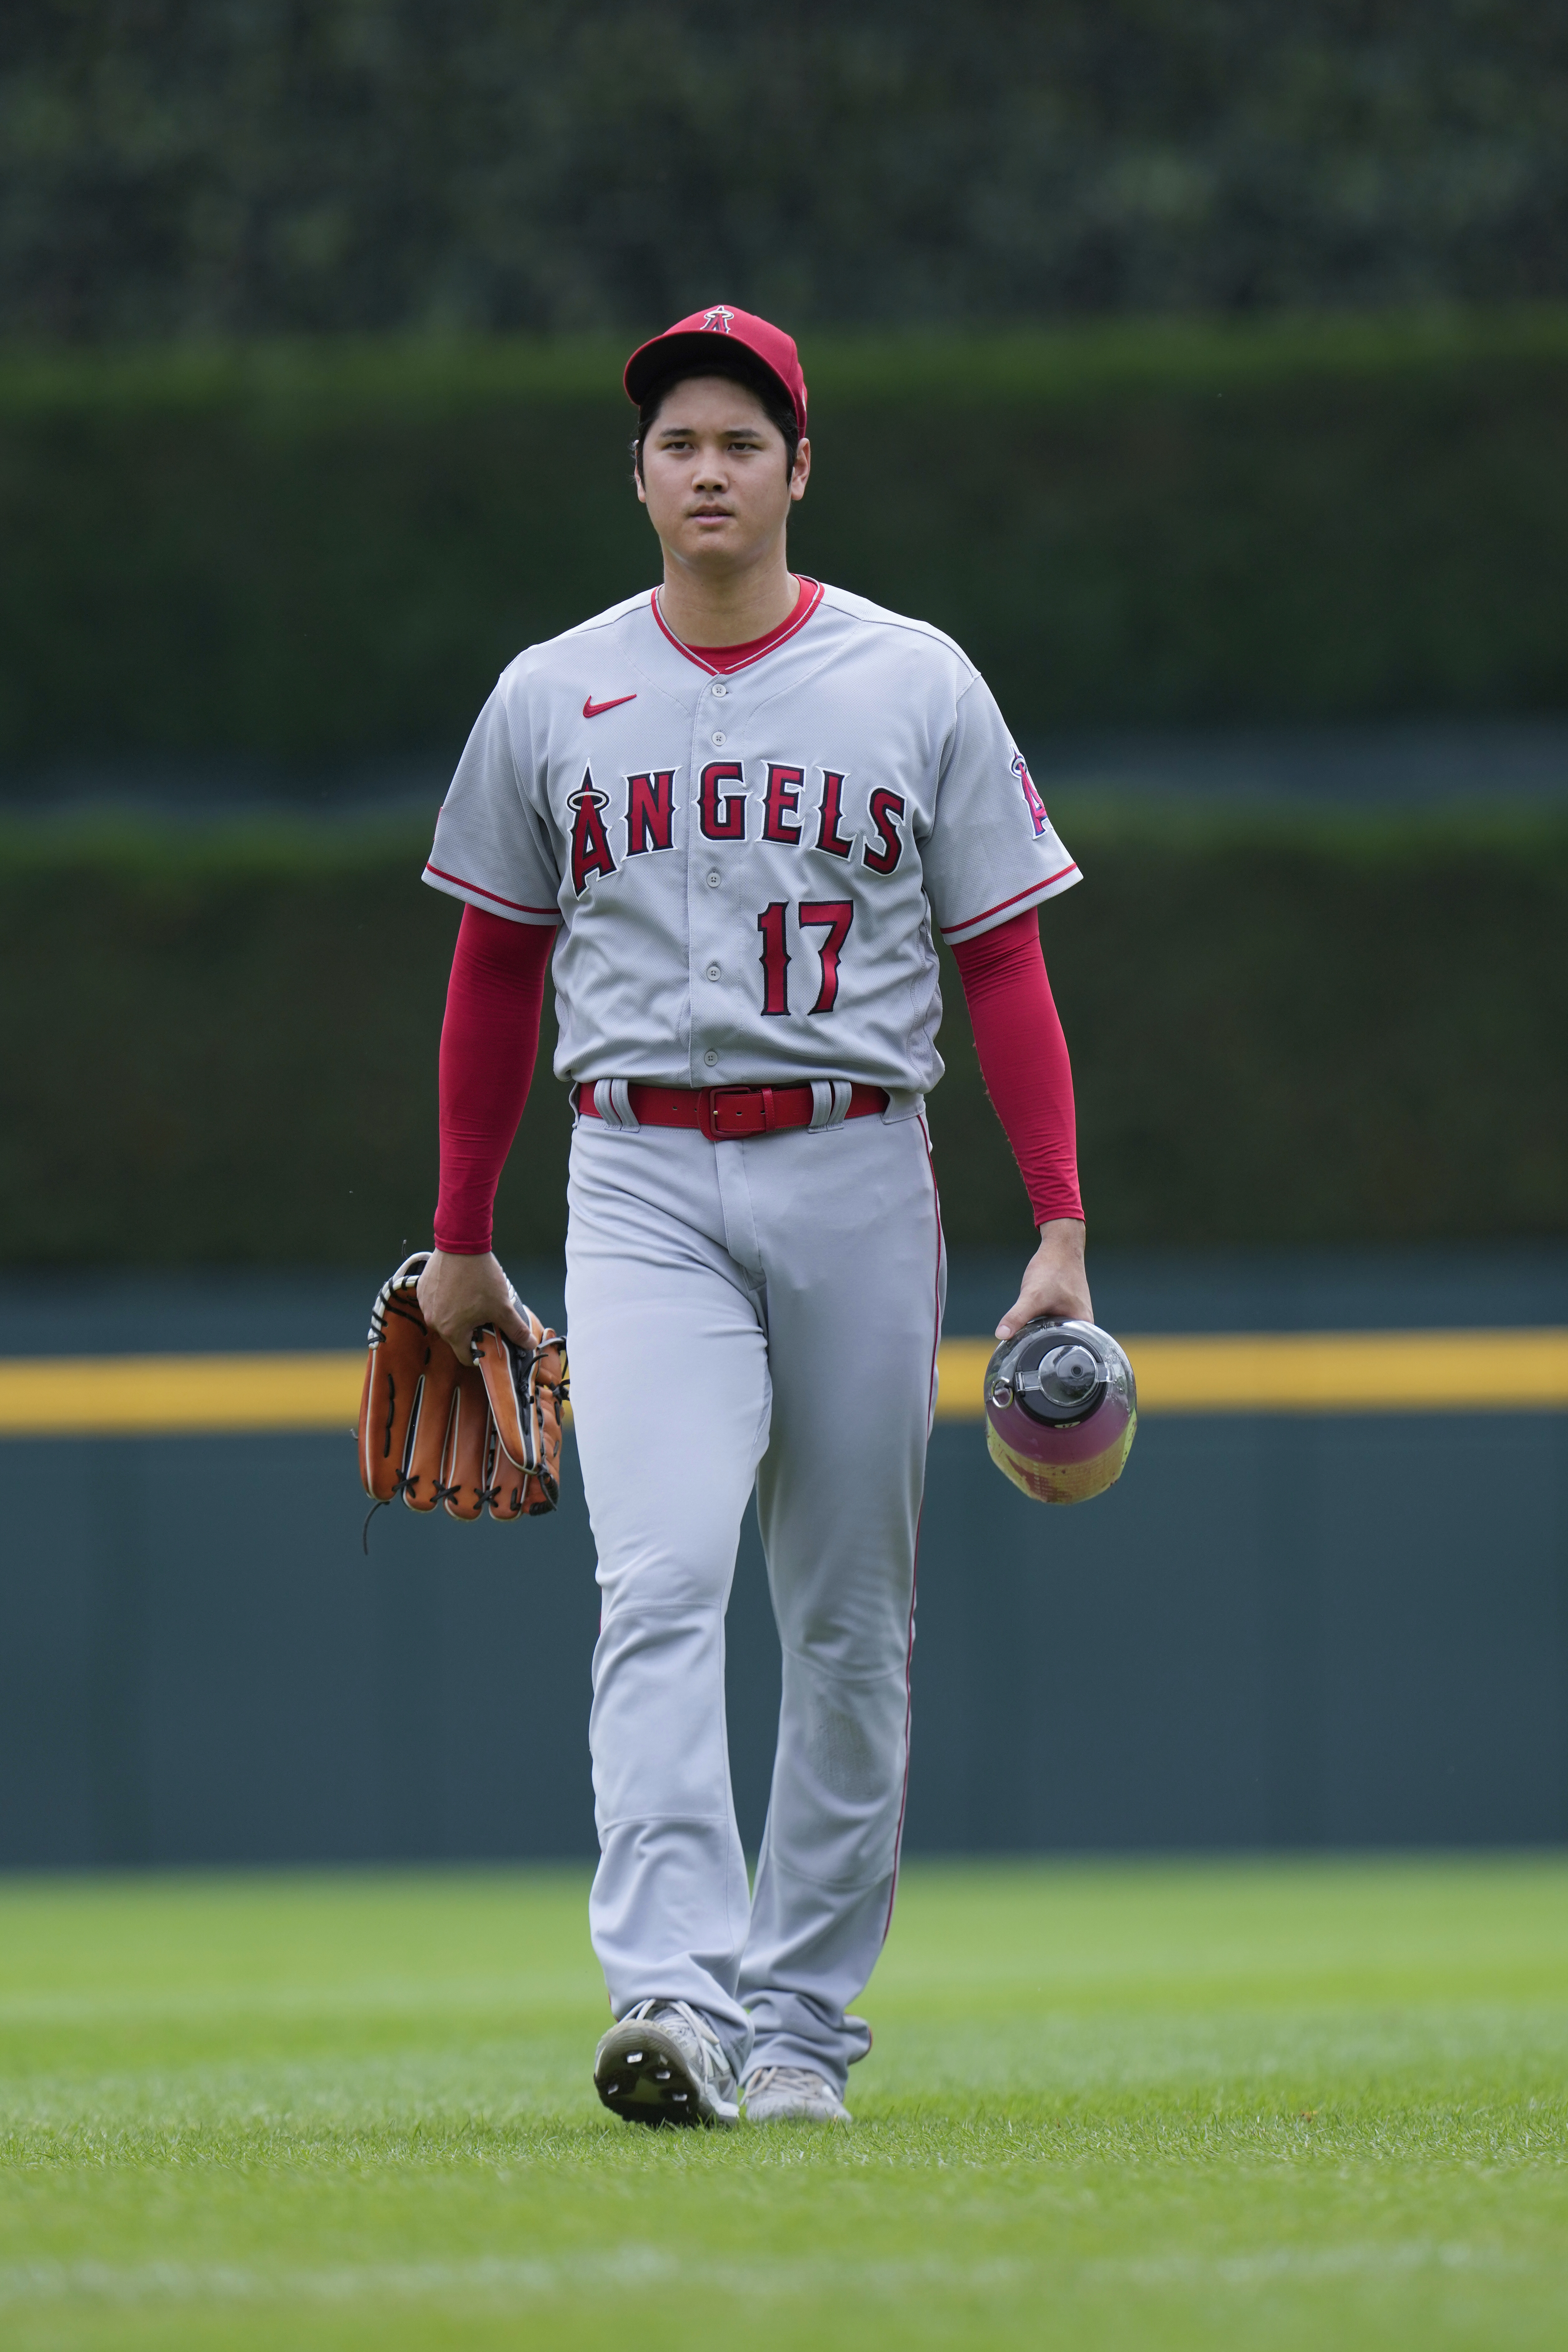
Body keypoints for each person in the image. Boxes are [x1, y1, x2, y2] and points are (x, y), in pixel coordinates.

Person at [416, 307, 1090, 2127]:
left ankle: (801, 2027)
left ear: (799, 469)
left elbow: (1002, 958)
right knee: (657, 1579)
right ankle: (672, 1995)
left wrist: (1060, 1228)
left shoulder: (913, 679)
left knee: (851, 1619)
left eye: (740, 439)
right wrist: (463, 1234)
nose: (707, 467)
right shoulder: (551, 692)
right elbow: (493, 971)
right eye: (676, 442)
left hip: (859, 1160)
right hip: (633, 1172)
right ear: (636, 478)